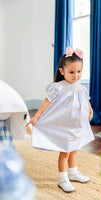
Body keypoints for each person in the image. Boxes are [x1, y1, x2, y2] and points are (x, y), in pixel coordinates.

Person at [26, 46, 95, 193]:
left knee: (75, 149)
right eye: (71, 72)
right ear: (62, 71)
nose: (75, 75)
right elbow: (47, 102)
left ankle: (73, 172)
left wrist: (90, 109)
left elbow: (86, 100)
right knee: (65, 152)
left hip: (77, 126)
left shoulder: (81, 88)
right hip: (64, 126)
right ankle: (63, 178)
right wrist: (36, 117)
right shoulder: (58, 87)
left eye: (79, 72)